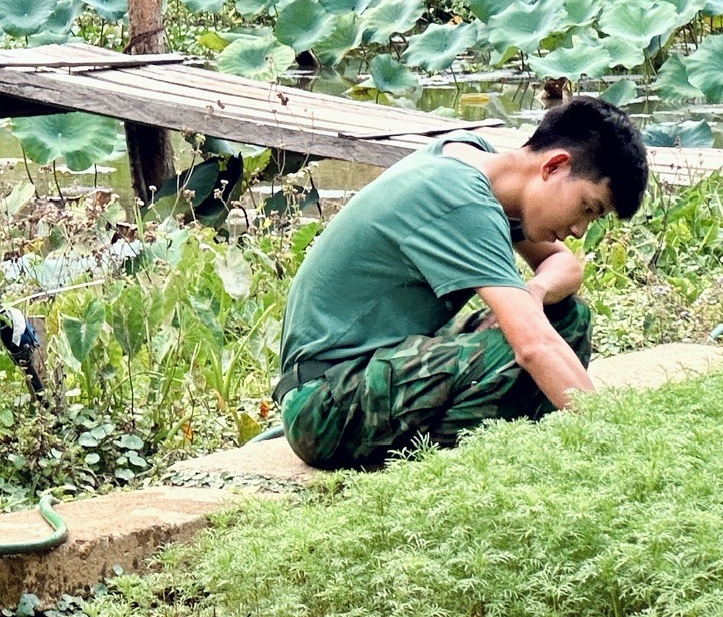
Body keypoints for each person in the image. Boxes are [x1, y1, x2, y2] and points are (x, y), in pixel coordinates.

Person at [274, 96, 649, 470]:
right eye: (587, 207)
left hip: (369, 374)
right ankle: (463, 459)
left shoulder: (474, 159)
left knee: (566, 316)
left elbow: (564, 265)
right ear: (554, 166)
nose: (580, 229)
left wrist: (534, 293)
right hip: (324, 403)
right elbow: (532, 345)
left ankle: (504, 445)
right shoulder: (460, 200)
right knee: (527, 346)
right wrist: (613, 440)